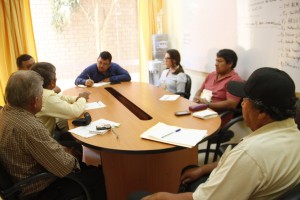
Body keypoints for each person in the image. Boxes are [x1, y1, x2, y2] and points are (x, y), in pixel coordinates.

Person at [129, 67, 300, 200]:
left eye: (245, 100)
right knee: (191, 170)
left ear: (262, 112)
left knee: (136, 196)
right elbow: (239, 164)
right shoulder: (293, 136)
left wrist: (158, 196)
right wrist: (203, 169)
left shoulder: (250, 155)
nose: (242, 104)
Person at [0, 70, 106, 199]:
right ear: (35, 101)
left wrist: (62, 151)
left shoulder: (5, 112)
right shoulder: (30, 127)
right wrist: (71, 155)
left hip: (19, 181)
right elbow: (65, 167)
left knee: (84, 165)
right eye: (41, 94)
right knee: (98, 176)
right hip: (37, 190)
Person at [31, 62, 90, 138]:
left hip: (44, 133)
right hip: (48, 140)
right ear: (53, 82)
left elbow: (60, 97)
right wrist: (82, 98)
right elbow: (75, 112)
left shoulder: (38, 91)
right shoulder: (46, 97)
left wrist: (77, 98)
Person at [192, 49, 243, 114]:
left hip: (216, 115)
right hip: (201, 109)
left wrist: (208, 104)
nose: (216, 64)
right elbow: (200, 90)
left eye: (220, 61)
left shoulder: (235, 80)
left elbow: (231, 104)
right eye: (216, 61)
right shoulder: (211, 75)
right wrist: (196, 98)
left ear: (230, 63)